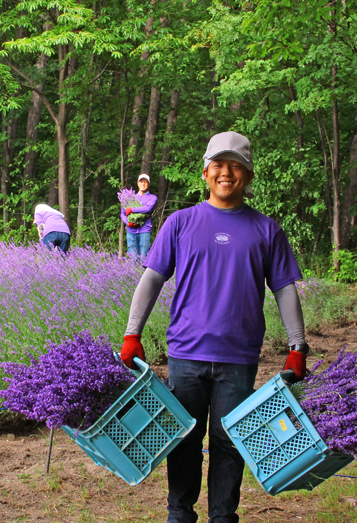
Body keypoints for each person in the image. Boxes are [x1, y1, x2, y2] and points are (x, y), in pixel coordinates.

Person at [119, 131, 310, 523]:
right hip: (186, 355)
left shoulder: (267, 230)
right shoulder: (180, 223)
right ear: (206, 172)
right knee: (183, 440)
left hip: (238, 359)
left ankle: (223, 517)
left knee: (229, 444)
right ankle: (179, 514)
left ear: (248, 174)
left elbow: (285, 289)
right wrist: (131, 333)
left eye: (235, 165)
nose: (226, 172)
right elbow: (152, 279)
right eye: (218, 165)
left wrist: (298, 346)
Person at [121, 173, 158, 260]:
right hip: (131, 231)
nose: (143, 184)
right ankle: (133, 274)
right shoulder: (130, 198)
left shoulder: (152, 197)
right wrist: (127, 222)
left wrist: (132, 210)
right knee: (133, 259)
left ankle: (142, 274)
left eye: (145, 182)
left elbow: (148, 208)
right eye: (141, 182)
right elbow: (122, 213)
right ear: (138, 183)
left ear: (148, 184)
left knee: (144, 257)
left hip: (144, 231)